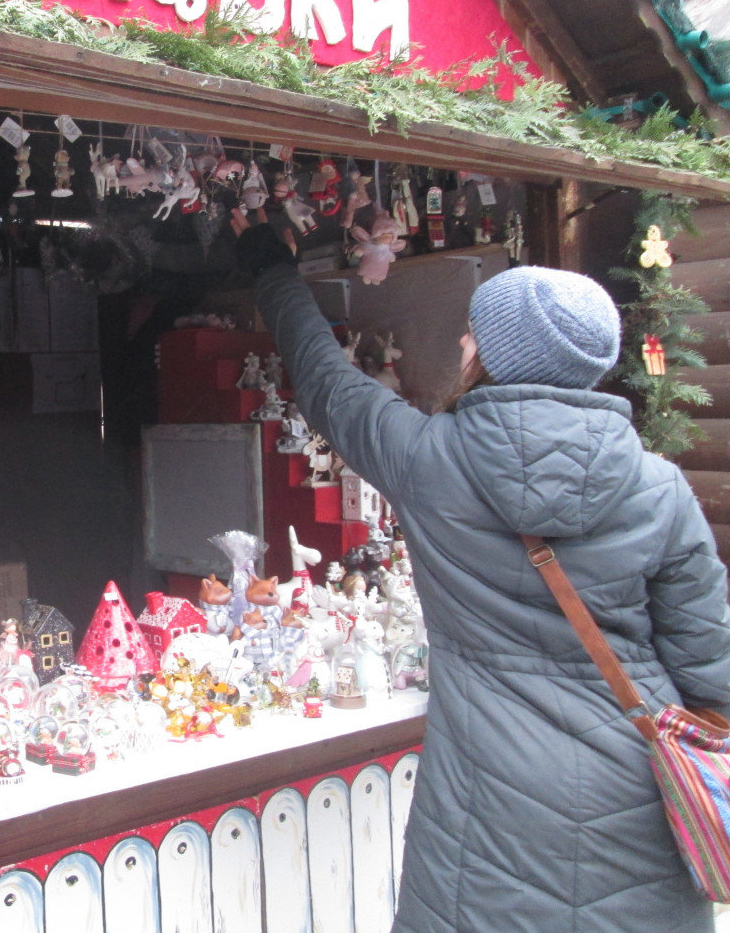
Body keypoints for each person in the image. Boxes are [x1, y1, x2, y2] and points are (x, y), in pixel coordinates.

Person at [239, 224, 730, 932]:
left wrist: (270, 267)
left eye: (474, 335)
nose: (464, 344)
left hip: (485, 815)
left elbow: (324, 378)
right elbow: (709, 673)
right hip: (640, 802)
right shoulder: (660, 487)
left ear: (497, 355)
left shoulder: (431, 460)